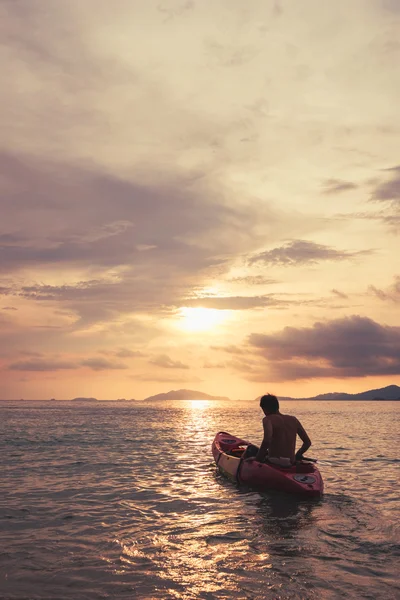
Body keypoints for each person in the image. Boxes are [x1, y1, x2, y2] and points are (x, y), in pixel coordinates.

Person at [248, 393, 311, 466]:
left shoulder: (268, 419)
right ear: (277, 406)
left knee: (250, 449)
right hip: (291, 462)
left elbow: (267, 440)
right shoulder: (294, 420)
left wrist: (257, 459)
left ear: (264, 408)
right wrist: (298, 455)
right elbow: (307, 443)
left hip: (274, 461)